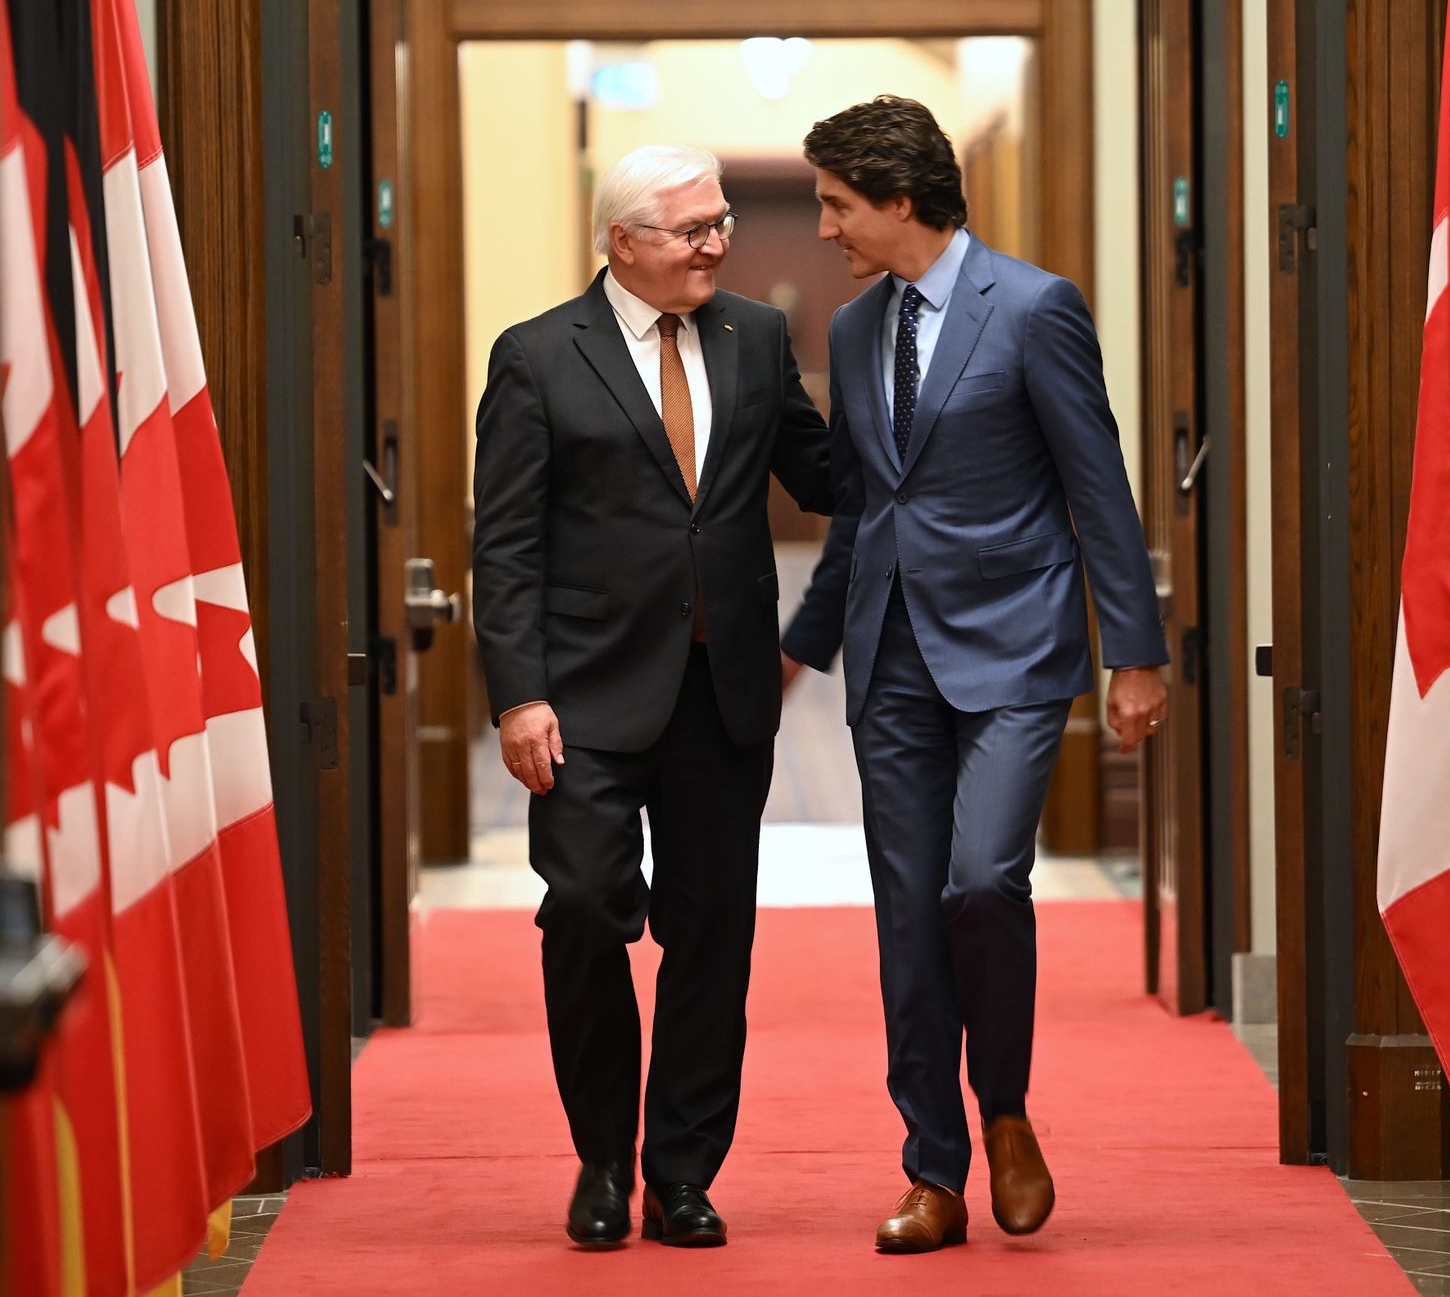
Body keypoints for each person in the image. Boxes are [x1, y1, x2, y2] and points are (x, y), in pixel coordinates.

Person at [781, 96, 1169, 1254]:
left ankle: (1003, 1110)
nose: (823, 229)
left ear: (899, 201)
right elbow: (859, 508)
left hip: (1012, 645)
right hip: (888, 654)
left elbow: (1095, 483)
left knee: (983, 880)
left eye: (837, 205)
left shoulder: (1035, 308)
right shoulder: (852, 332)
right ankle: (931, 1170)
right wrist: (802, 649)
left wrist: (1134, 654)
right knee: (905, 915)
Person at [471, 144, 830, 1250]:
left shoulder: (758, 339)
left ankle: (680, 1172)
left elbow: (824, 475)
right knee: (582, 911)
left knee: (711, 936)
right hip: (580, 698)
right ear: (621, 241)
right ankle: (598, 1160)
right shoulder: (537, 357)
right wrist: (517, 695)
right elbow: (508, 543)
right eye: (691, 229)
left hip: (719, 690)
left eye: (720, 221)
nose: (716, 242)